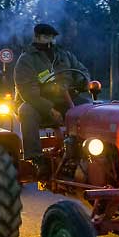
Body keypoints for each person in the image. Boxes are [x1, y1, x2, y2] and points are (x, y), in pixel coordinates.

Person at [13, 23, 91, 175]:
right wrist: (49, 108)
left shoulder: (64, 55)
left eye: (52, 37)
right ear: (36, 37)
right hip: (37, 102)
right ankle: (35, 159)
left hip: (65, 98)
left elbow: (82, 70)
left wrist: (84, 81)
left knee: (89, 109)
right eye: (46, 36)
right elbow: (28, 92)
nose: (50, 40)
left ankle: (88, 151)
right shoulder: (27, 59)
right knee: (26, 112)